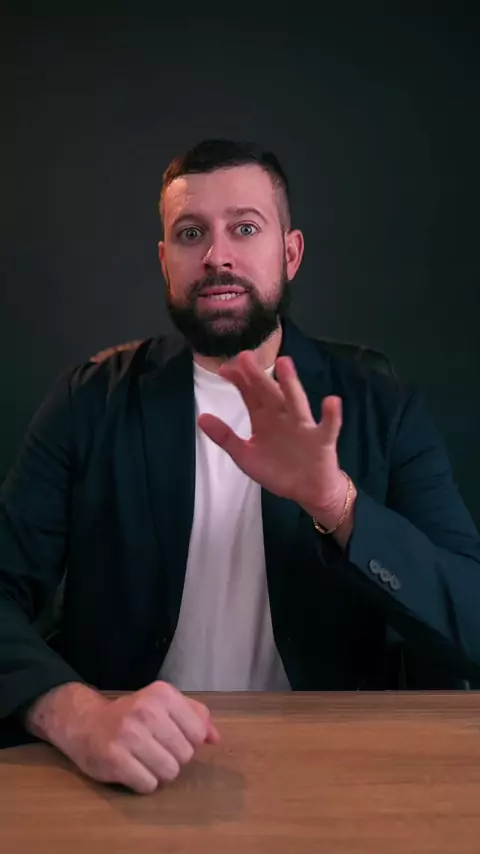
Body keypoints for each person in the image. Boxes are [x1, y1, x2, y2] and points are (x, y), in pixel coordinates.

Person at [1, 139, 480, 795]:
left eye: (245, 228)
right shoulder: (89, 401)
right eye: (190, 233)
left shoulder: (383, 409)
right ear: (165, 261)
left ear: (290, 253)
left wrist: (337, 505)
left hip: (332, 771)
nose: (217, 256)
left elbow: (471, 622)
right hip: (128, 772)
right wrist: (77, 717)